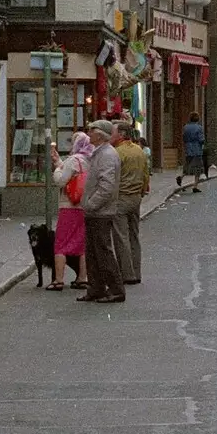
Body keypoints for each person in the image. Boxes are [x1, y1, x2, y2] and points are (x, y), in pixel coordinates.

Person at [79, 120, 125, 303]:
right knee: (93, 252)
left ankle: (115, 289)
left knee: (103, 251)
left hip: (101, 212)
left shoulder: (106, 155)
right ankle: (96, 288)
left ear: (100, 135)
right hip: (96, 211)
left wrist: (90, 204)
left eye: (92, 131)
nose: (88, 133)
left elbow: (106, 186)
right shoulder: (100, 153)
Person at [48, 132, 92, 291]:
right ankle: (82, 277)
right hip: (83, 206)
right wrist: (59, 162)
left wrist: (57, 169)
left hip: (69, 205)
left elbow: (61, 180)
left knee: (61, 243)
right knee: (81, 243)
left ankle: (58, 280)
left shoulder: (73, 160)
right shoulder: (89, 160)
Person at [111, 121, 148, 285]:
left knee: (121, 237)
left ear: (120, 135)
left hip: (121, 197)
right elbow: (146, 173)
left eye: (113, 133)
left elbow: (113, 177)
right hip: (136, 197)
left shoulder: (117, 153)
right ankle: (136, 270)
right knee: (134, 235)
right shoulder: (139, 151)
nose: (111, 135)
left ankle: (127, 273)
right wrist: (142, 190)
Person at [177, 112, 206, 193]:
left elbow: (184, 137)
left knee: (187, 165)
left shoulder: (185, 127)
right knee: (198, 169)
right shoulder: (199, 128)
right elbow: (201, 139)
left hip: (188, 149)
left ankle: (181, 176)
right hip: (197, 149)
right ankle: (195, 186)